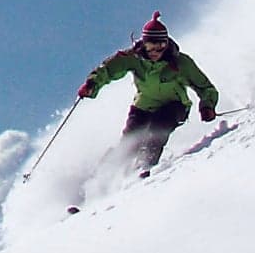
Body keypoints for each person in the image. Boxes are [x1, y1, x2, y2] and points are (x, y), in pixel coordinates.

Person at [78, 12, 219, 172]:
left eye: (160, 46)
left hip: (175, 106)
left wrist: (207, 106)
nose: (155, 51)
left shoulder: (180, 62)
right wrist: (92, 84)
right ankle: (101, 175)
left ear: (166, 44)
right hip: (143, 107)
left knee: (157, 129)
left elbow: (205, 87)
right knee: (129, 144)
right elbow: (108, 70)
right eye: (150, 46)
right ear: (144, 44)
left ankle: (144, 166)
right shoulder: (133, 58)